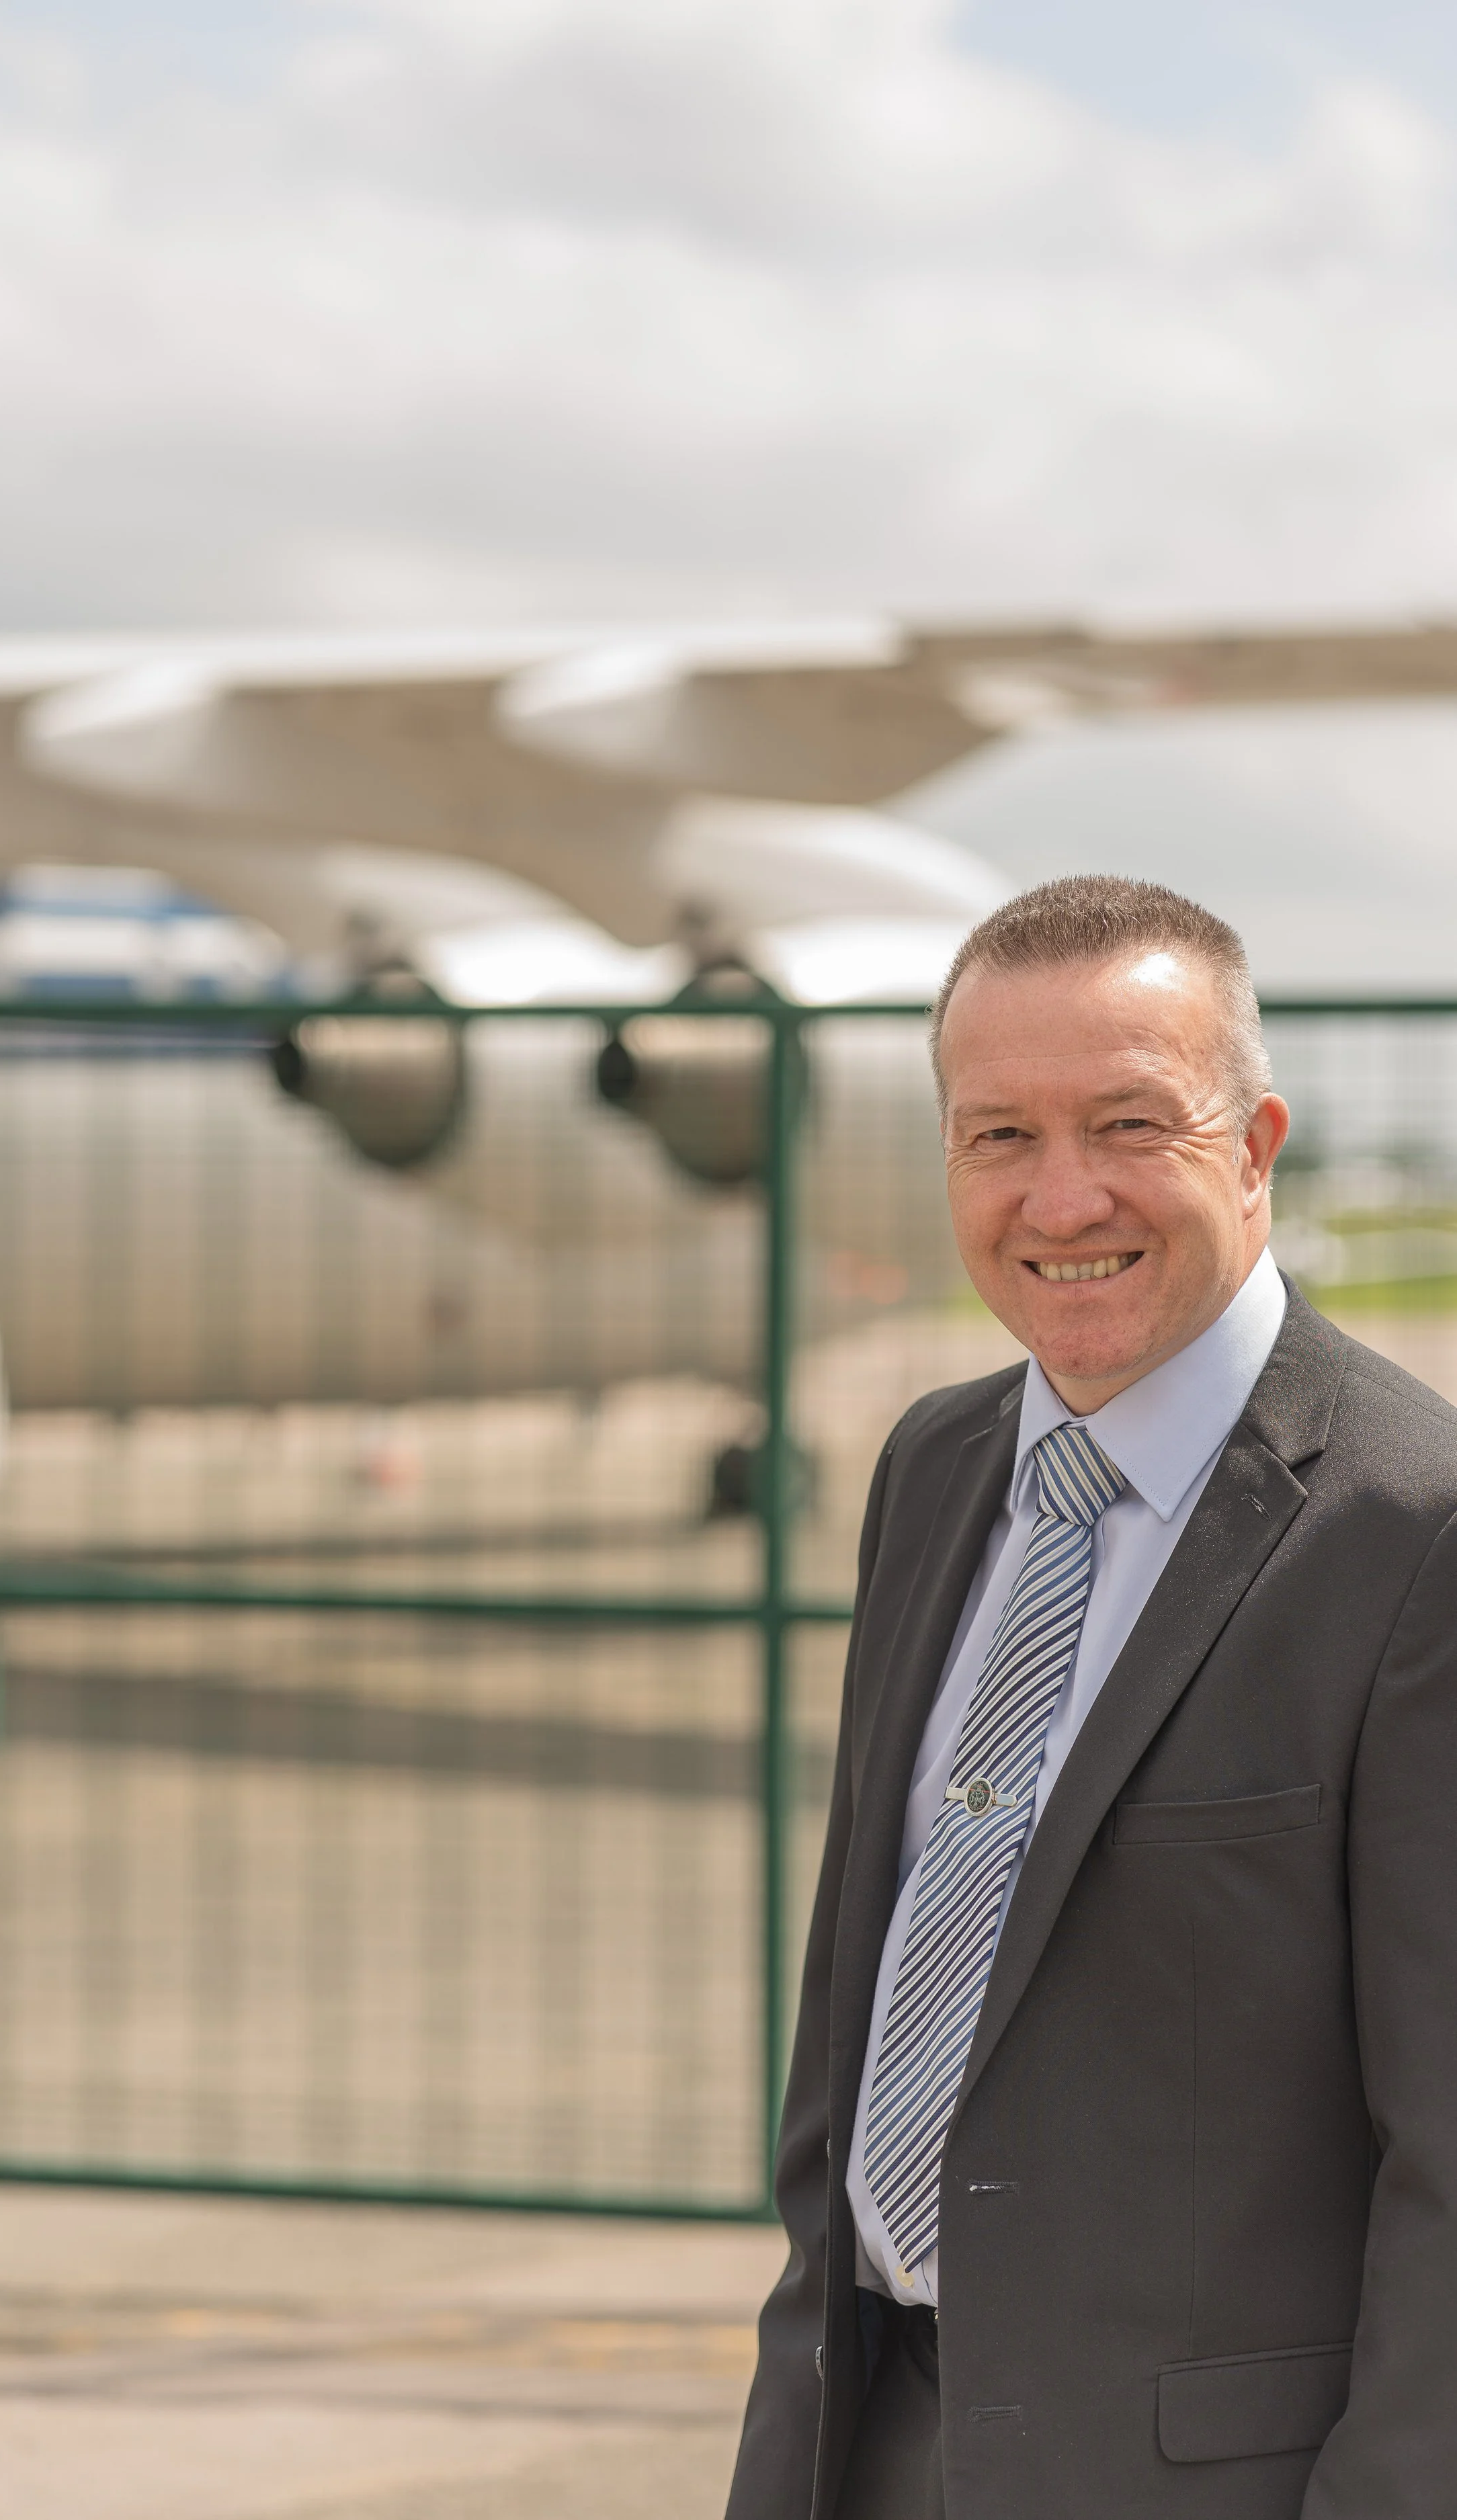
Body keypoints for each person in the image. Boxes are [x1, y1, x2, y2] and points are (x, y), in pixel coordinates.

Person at [724, 874, 1457, 2520]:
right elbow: (850, 2045)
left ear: (1254, 1146)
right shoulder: (933, 1467)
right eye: (997, 1138)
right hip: (886, 2444)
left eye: (1129, 1124)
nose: (1061, 1201)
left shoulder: (1415, 1532)